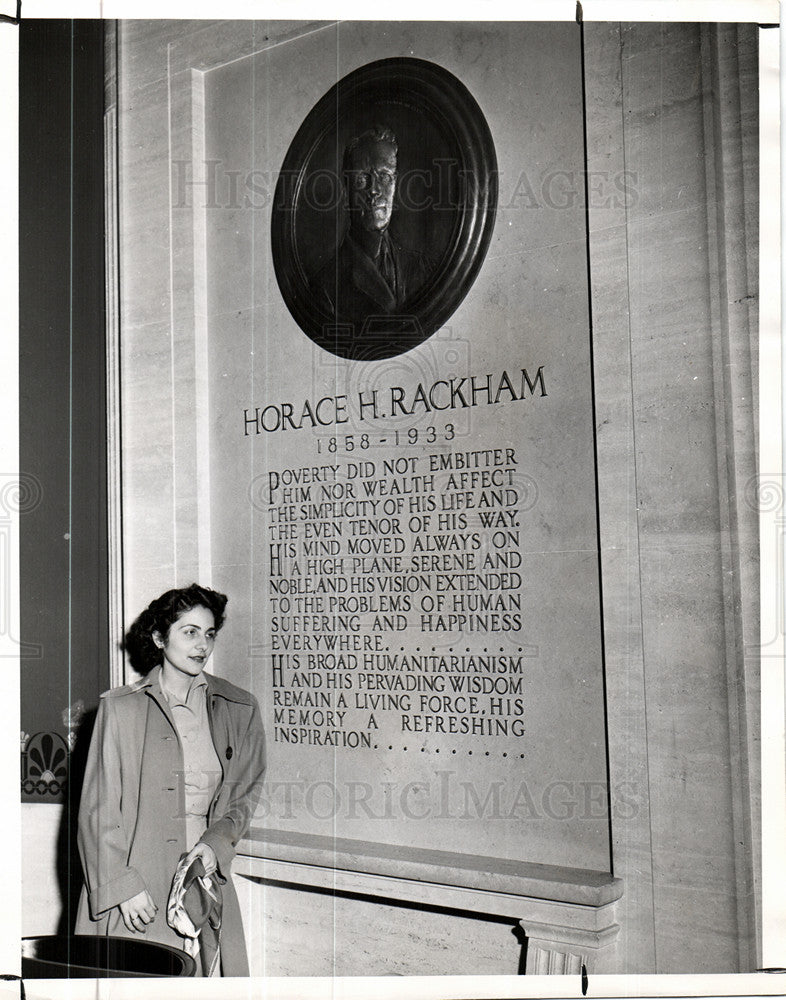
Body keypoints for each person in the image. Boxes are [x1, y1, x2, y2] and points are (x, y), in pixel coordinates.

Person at [74, 583, 266, 977]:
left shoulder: (239, 708)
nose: (202, 646)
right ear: (160, 638)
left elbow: (243, 796)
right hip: (136, 887)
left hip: (203, 881)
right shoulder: (121, 708)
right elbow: (97, 811)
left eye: (209, 633)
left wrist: (216, 846)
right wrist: (121, 887)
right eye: (189, 632)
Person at [312, 125, 433, 328]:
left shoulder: (422, 269)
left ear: (395, 183)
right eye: (362, 179)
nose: (374, 190)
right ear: (346, 188)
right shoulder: (326, 287)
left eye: (385, 177)